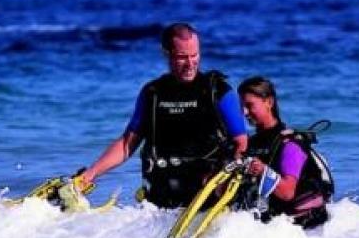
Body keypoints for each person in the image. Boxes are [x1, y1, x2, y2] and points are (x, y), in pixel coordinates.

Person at [81, 23, 248, 208]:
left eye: (194, 55)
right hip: (159, 201)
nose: (190, 63)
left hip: (206, 197)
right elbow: (127, 144)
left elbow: (241, 143)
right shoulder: (153, 93)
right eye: (182, 57)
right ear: (166, 54)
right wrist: (90, 174)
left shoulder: (219, 92)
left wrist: (226, 175)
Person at [238, 76, 332, 229]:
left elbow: (287, 192)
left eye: (249, 105)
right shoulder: (251, 144)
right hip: (275, 227)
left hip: (307, 230)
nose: (244, 112)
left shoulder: (290, 144)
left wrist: (263, 171)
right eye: (241, 106)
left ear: (269, 102)